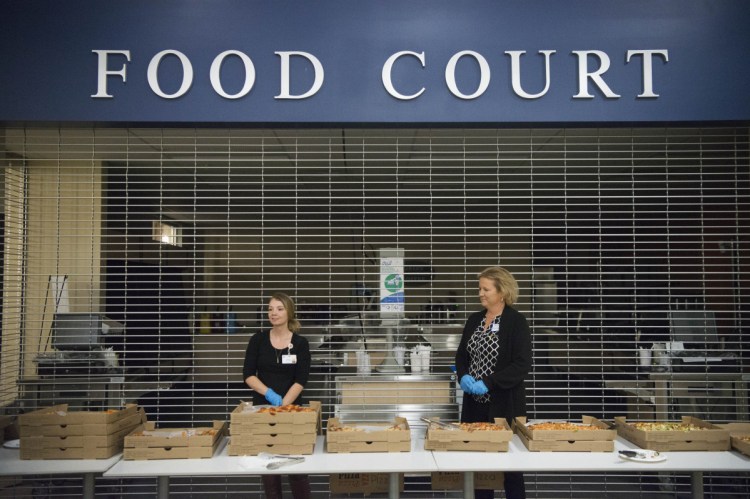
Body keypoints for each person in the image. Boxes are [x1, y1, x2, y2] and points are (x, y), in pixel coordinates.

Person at [455, 266, 532, 499]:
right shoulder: (474, 320)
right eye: (480, 288)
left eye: (486, 289)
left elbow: (521, 364)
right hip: (474, 404)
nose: (481, 293)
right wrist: (464, 376)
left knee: (510, 466)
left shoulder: (516, 322)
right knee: (480, 465)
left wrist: (489, 382)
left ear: (502, 292)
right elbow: (461, 356)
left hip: (504, 404)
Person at [243, 292, 312, 499]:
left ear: (289, 312)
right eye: (270, 309)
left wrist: (284, 404)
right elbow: (248, 374)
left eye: (279, 308)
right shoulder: (257, 340)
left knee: (295, 466)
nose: (273, 313)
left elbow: (301, 379)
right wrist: (270, 394)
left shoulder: (300, 343)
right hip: (263, 409)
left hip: (292, 410)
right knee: (269, 466)